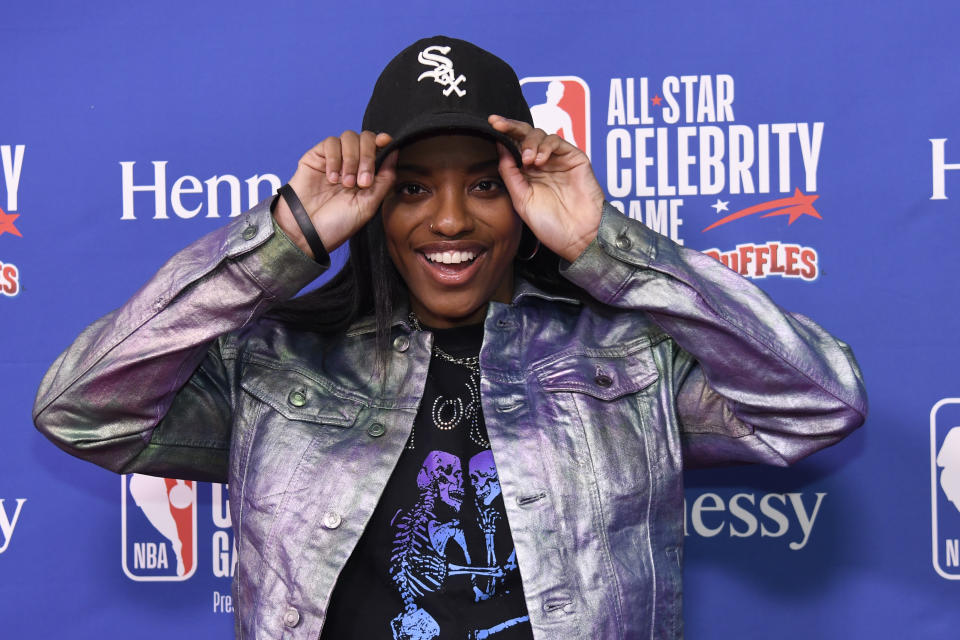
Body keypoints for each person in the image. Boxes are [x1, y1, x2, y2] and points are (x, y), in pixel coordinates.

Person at [33, 36, 867, 640]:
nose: (450, 219)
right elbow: (83, 410)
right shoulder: (273, 360)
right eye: (413, 190)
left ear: (525, 202)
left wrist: (605, 245)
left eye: (483, 185)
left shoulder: (628, 360)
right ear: (372, 208)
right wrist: (283, 239)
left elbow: (815, 405)